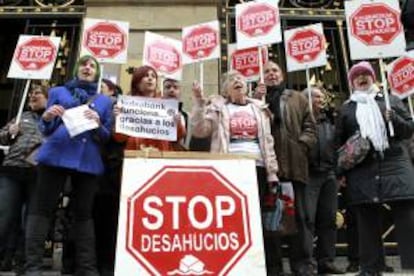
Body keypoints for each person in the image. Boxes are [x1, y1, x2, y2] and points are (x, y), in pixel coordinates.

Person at [24, 55, 113, 276]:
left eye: (92, 65)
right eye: (83, 64)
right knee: (41, 210)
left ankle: (87, 269)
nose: (87, 67)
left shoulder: (104, 101)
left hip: (87, 161)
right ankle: (32, 268)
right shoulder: (58, 92)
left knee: (84, 214)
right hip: (55, 155)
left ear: (97, 73)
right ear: (76, 69)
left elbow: (106, 136)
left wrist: (98, 123)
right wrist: (46, 117)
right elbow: (47, 128)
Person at [191, 70, 279, 274]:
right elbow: (199, 130)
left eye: (241, 79)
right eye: (232, 80)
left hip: (257, 168)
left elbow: (268, 142)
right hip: (229, 170)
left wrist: (272, 172)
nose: (237, 81)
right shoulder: (219, 108)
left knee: (258, 220)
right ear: (225, 90)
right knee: (232, 220)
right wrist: (198, 102)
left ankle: (264, 267)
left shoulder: (259, 108)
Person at [335, 61, 414, 276]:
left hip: (394, 163)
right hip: (363, 168)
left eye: (365, 74)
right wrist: (340, 173)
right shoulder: (347, 108)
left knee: (406, 216)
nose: (362, 78)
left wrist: (394, 118)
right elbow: (339, 142)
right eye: (357, 75)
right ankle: (371, 267)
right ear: (351, 82)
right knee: (366, 218)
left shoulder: (391, 100)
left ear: (373, 77)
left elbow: (408, 130)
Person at [255, 61, 317, 276]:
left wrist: (301, 145)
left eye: (275, 70)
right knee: (270, 219)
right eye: (266, 72)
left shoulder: (297, 98)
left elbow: (310, 126)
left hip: (293, 165)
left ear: (281, 75)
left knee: (297, 218)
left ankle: (301, 265)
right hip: (266, 169)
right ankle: (273, 266)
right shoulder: (255, 100)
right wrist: (256, 99)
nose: (271, 74)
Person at [0, 83, 48, 274]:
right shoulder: (21, 116)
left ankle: (23, 263)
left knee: (29, 220)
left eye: (37, 93)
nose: (32, 96)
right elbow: (2, 137)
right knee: (5, 216)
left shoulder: (52, 118)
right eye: (30, 94)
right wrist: (9, 132)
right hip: (12, 169)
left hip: (38, 173)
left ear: (47, 97)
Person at [302, 86, 344, 275]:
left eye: (321, 97)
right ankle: (307, 262)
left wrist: (337, 171)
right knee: (307, 220)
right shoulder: (301, 119)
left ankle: (326, 261)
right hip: (308, 174)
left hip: (328, 174)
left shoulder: (330, 120)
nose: (320, 100)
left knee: (328, 219)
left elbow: (337, 146)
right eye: (315, 96)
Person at [114, 65, 186, 151]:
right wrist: (118, 119)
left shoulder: (166, 106)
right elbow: (119, 138)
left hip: (162, 153)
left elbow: (178, 136)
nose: (150, 78)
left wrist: (177, 123)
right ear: (137, 81)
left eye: (153, 76)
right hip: (135, 153)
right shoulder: (125, 105)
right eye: (146, 76)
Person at [94, 78, 124, 276]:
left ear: (112, 93)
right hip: (97, 167)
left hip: (111, 168)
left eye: (101, 88)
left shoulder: (118, 107)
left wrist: (116, 119)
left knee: (108, 216)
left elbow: (117, 137)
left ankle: (106, 263)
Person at [163, 78, 188, 147]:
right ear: (162, 92)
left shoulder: (187, 117)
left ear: (180, 92)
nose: (171, 90)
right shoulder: (153, 113)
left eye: (175, 87)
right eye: (168, 87)